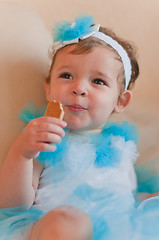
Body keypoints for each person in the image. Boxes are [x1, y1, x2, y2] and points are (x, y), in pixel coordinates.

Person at [0, 15, 159, 240]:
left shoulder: (121, 147)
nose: (79, 88)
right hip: (57, 228)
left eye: (98, 81)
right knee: (67, 220)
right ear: (48, 89)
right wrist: (22, 153)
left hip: (118, 230)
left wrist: (149, 198)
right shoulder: (43, 138)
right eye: (67, 76)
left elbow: (125, 199)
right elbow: (12, 206)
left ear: (121, 101)